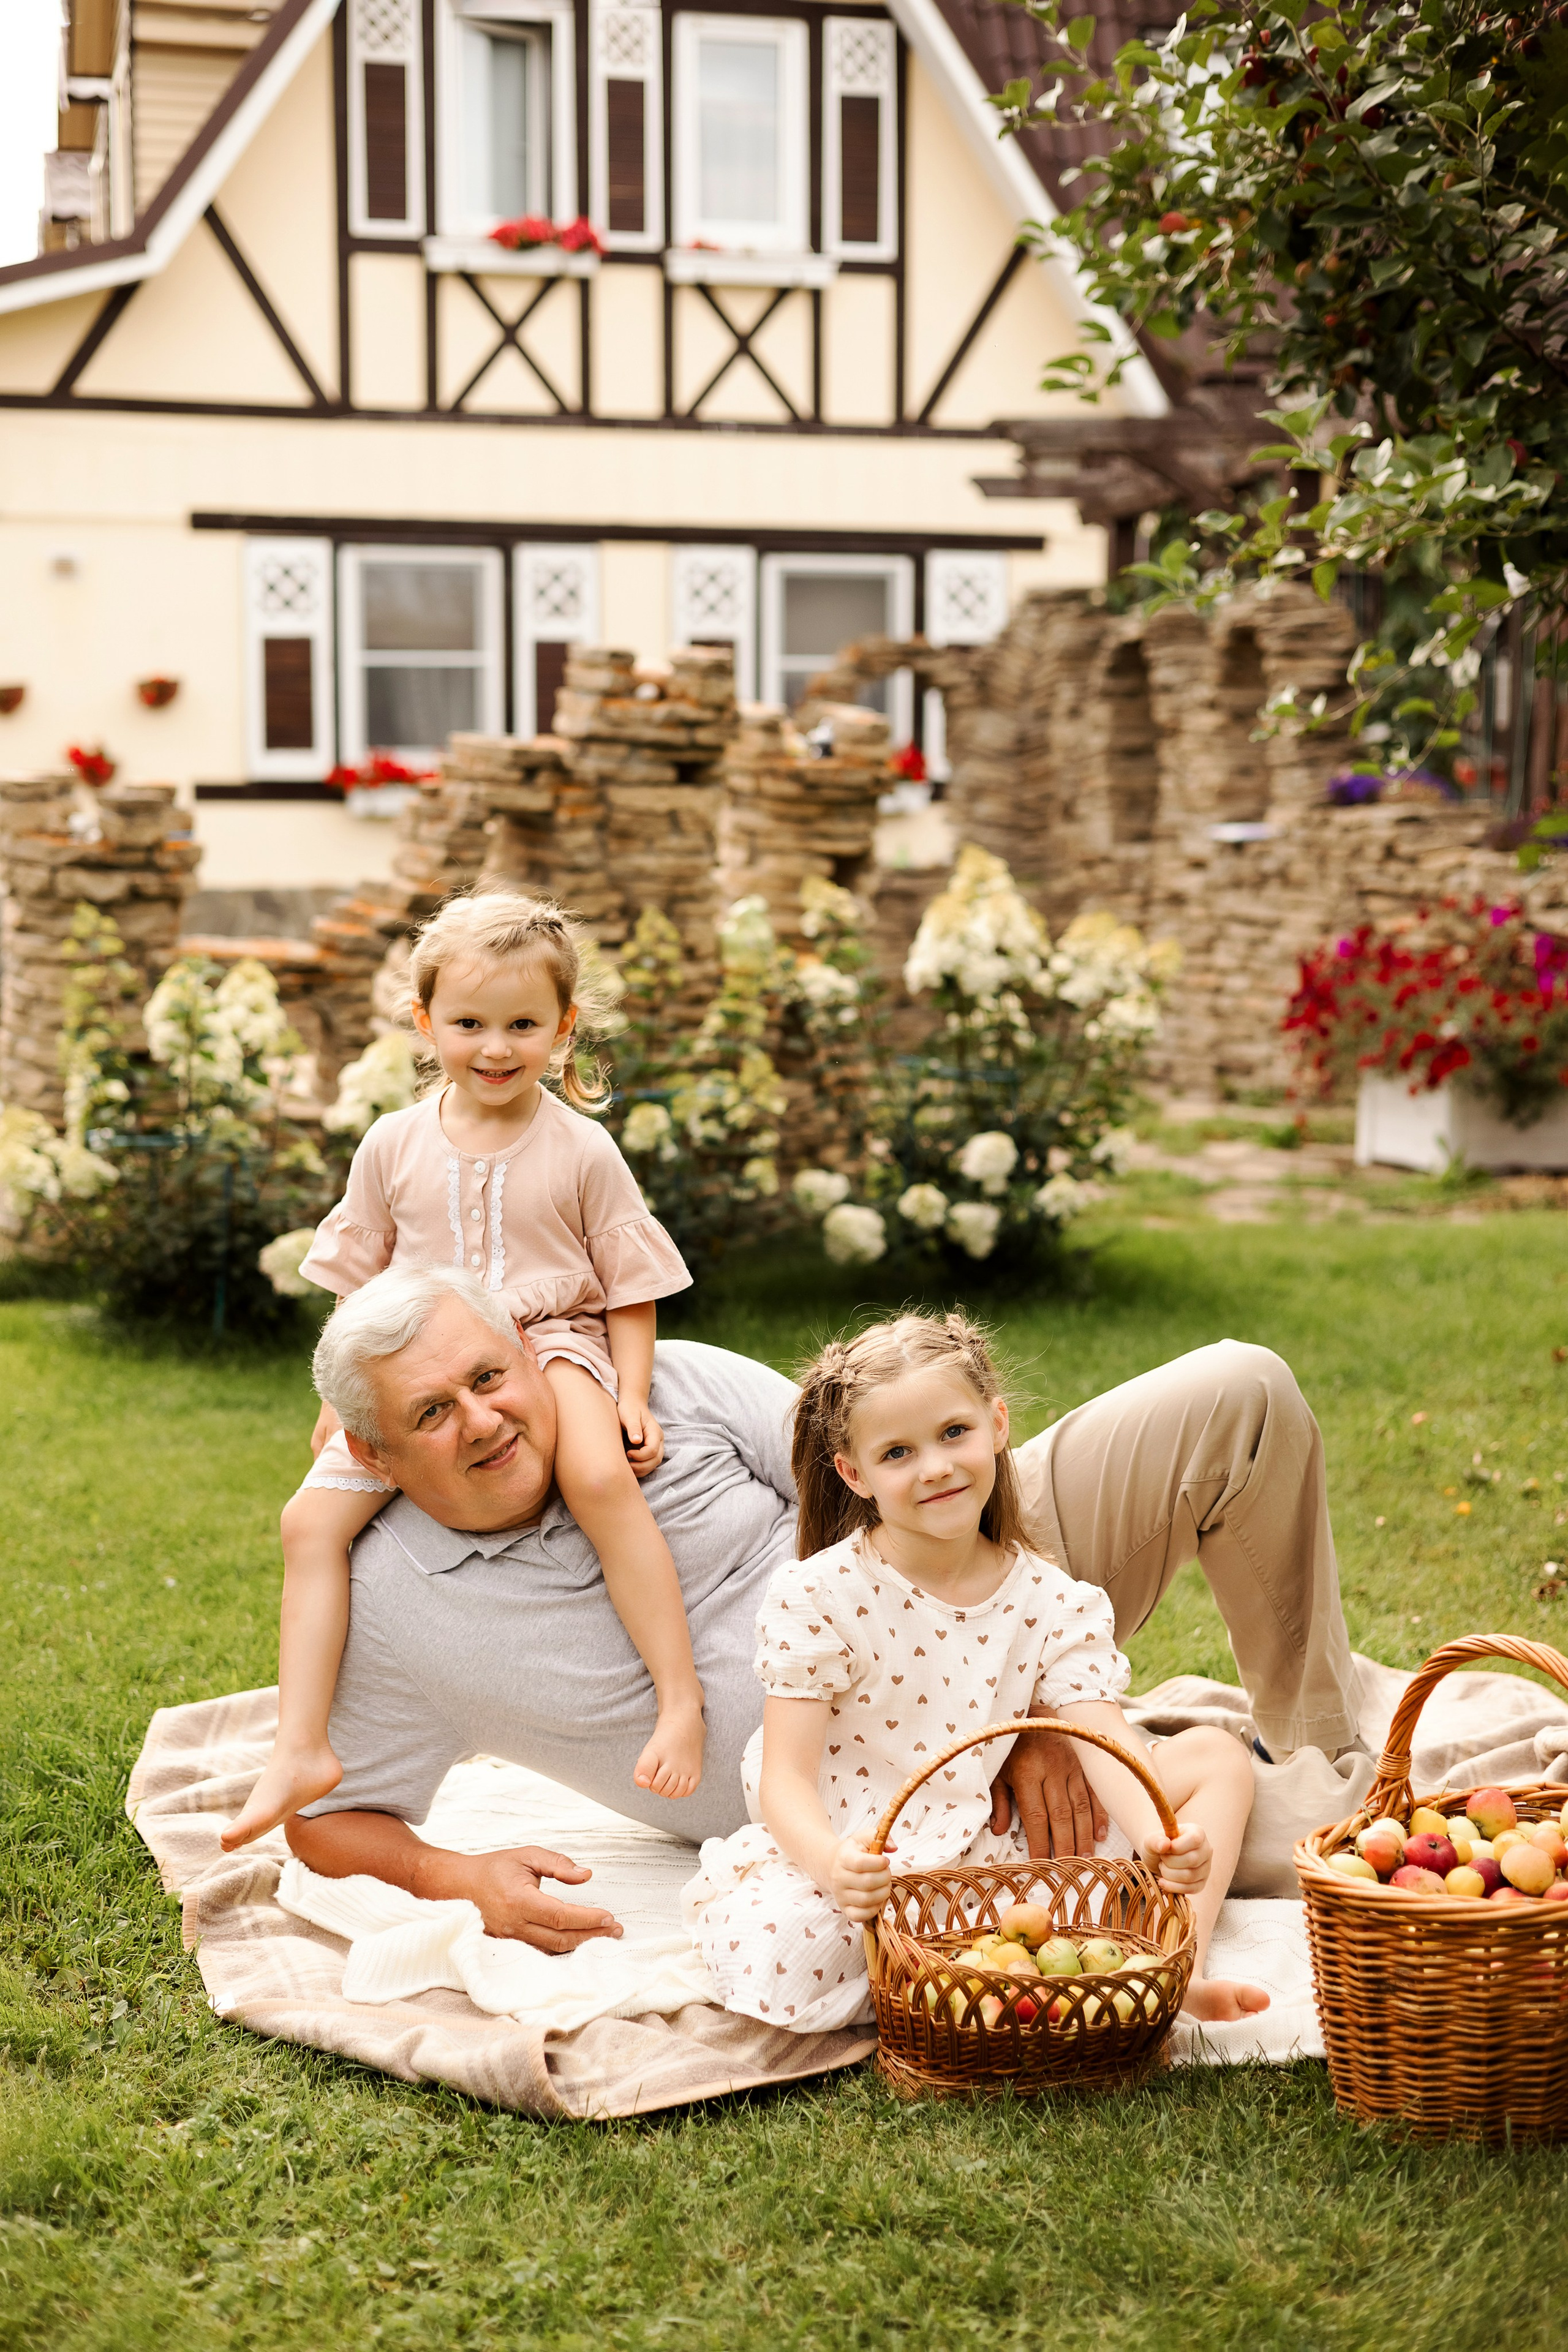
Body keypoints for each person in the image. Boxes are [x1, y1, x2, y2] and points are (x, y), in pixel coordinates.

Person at [278, 1263, 1363, 1951]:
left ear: (525, 1352)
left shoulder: (661, 1396)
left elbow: (892, 1474)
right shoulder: (389, 1603)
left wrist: (1021, 1687)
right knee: (1315, 1850)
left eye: (489, 1375)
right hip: (879, 1806)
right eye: (433, 1411)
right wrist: (456, 1875)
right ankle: (1290, 1792)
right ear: (370, 1453)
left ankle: (1324, 1740)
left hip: (987, 1577)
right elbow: (321, 1818)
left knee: (1240, 1389)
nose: (484, 1420)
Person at [222, 893, 701, 1855]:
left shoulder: (580, 1148)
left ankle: (680, 1699)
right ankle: (302, 1745)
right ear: (424, 1024)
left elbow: (630, 1285)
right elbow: (359, 1290)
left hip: (552, 1338)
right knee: (308, 1521)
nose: (495, 1047)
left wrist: (631, 1392)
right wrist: (336, 1401)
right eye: (470, 1023)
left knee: (602, 1478)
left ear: (563, 1030)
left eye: (524, 1024)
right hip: (421, 1363)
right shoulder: (393, 1144)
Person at [684, 1312, 1268, 2029]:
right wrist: (831, 1862)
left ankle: (1179, 1970)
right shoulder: (820, 1595)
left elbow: (1104, 1741)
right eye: (897, 1452)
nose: (934, 1467)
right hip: (872, 1853)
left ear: (997, 1425)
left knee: (1217, 1756)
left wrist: (1156, 1835)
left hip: (996, 1846)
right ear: (853, 1473)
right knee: (789, 1945)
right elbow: (784, 1779)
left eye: (953, 1433)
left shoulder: (1051, 1598)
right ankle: (973, 1970)